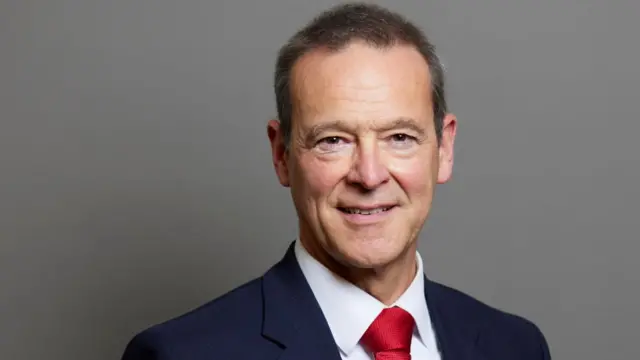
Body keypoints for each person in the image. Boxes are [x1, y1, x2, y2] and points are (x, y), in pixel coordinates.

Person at [121, 3, 551, 359]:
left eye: (399, 137)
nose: (369, 174)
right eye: (333, 140)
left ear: (444, 149)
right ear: (281, 155)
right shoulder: (180, 354)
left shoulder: (514, 346)